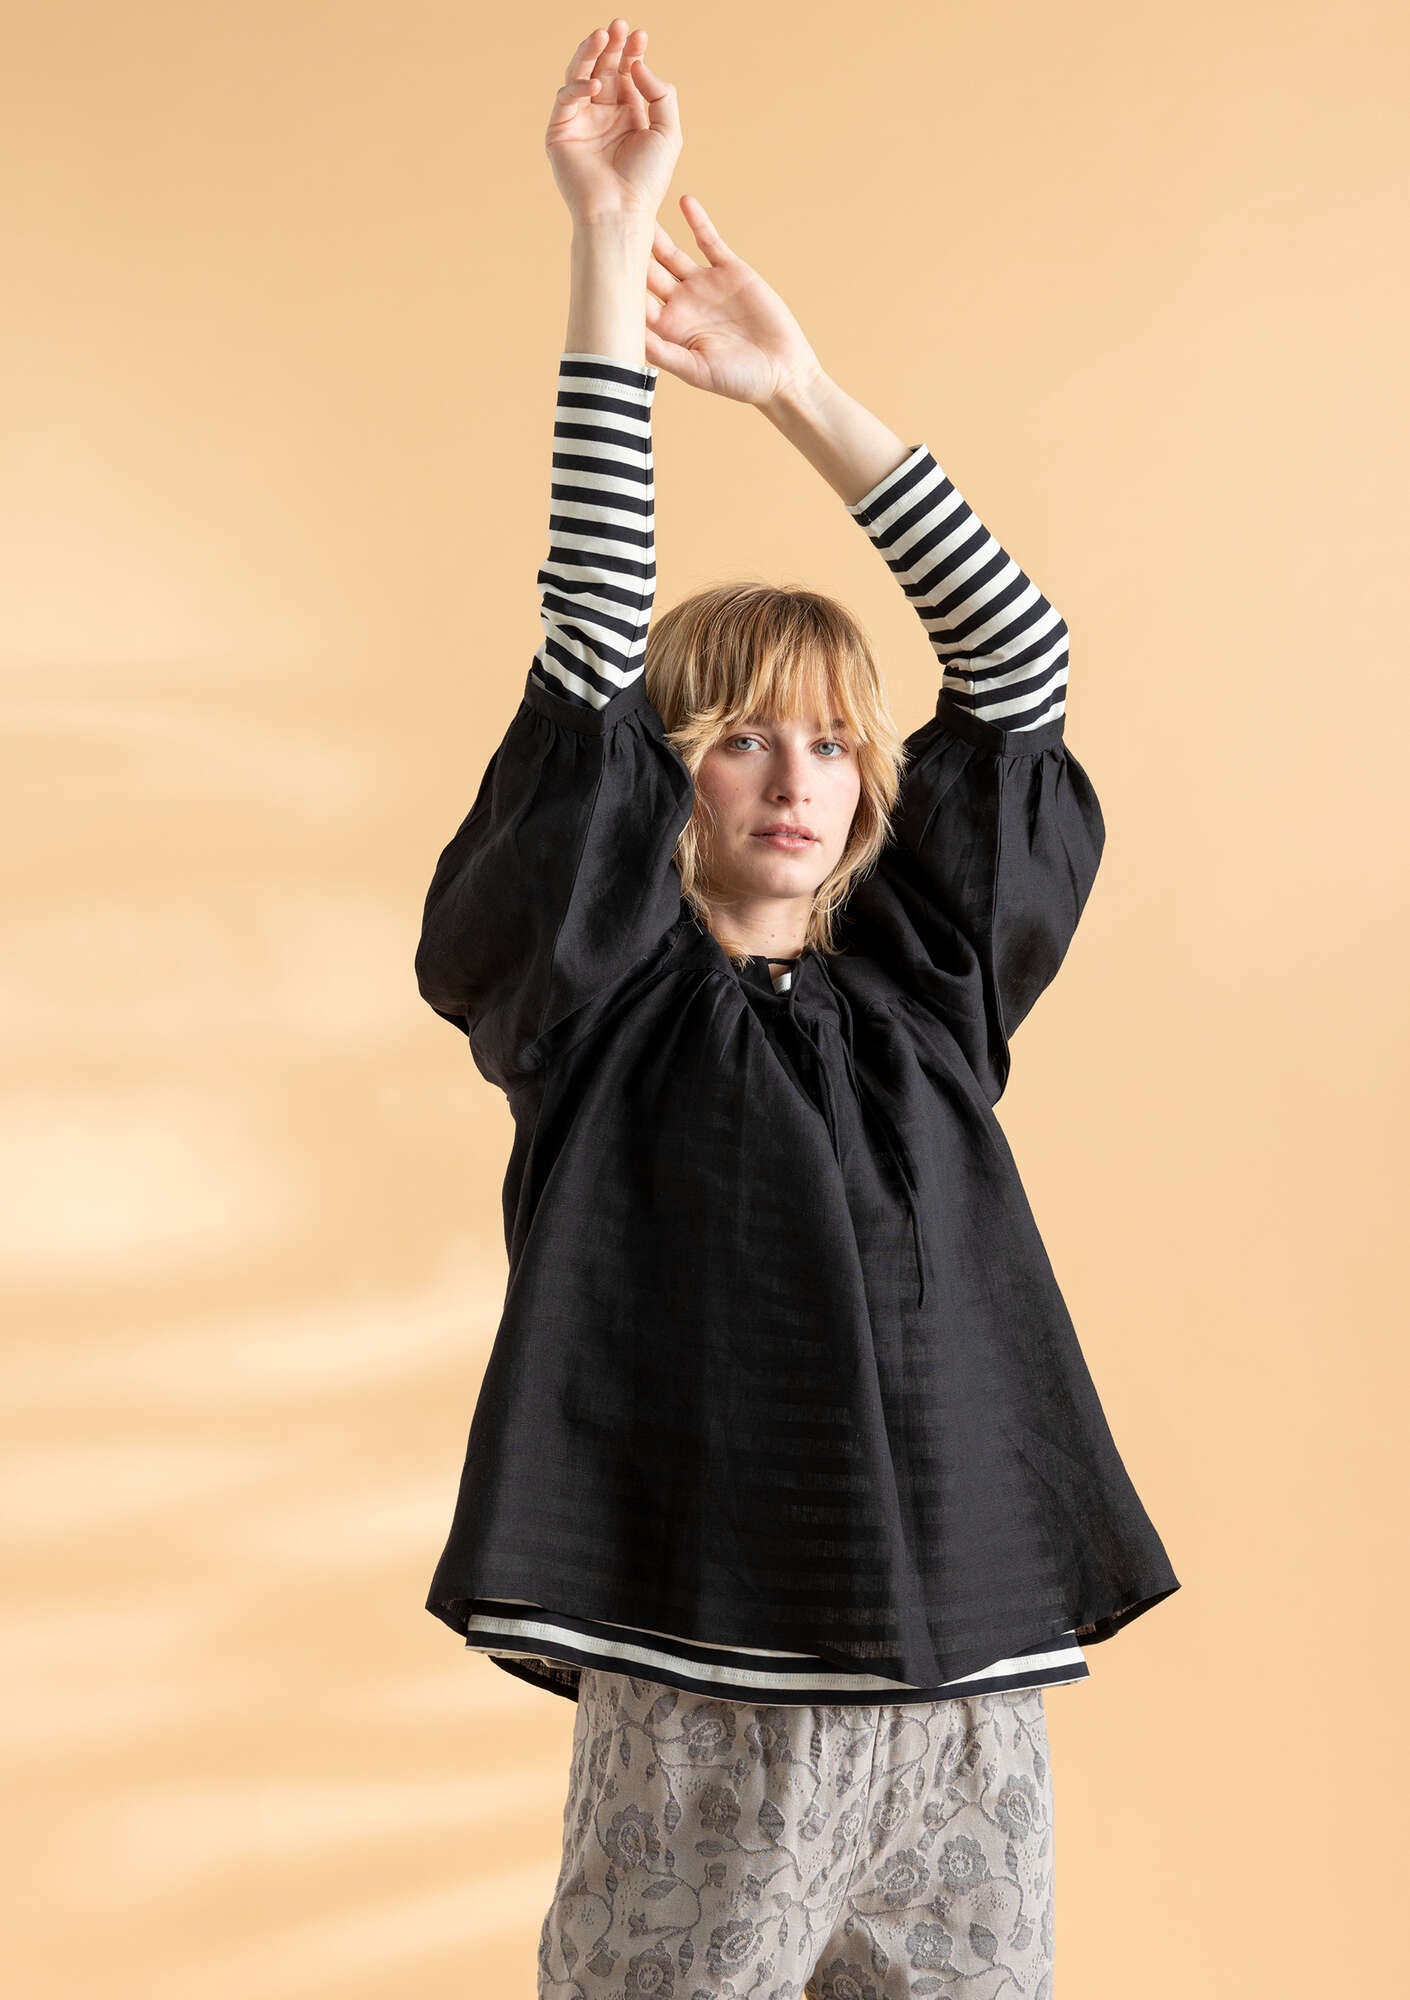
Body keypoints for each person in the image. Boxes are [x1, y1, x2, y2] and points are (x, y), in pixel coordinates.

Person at [413, 21, 1180, 1999]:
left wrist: (798, 391)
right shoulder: (601, 1004)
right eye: (741, 737)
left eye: (832, 743)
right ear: (662, 782)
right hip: (711, 1681)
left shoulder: (923, 996)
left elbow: (1021, 669)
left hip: (970, 1690)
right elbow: (590, 648)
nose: (794, 777)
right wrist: (610, 246)